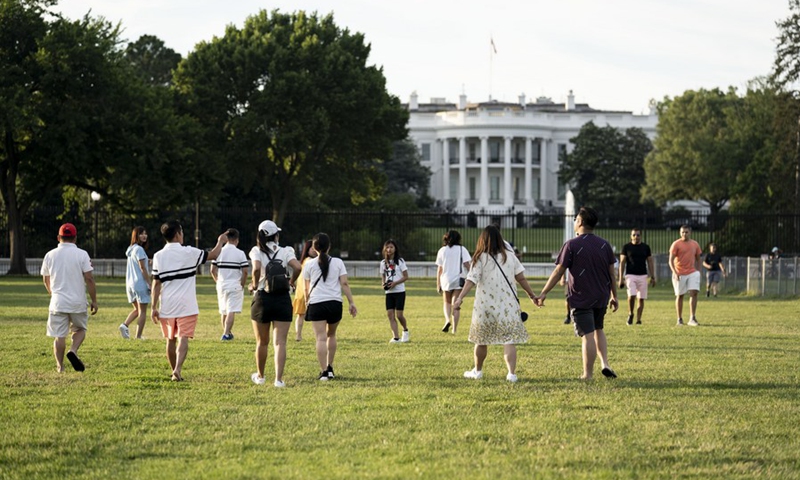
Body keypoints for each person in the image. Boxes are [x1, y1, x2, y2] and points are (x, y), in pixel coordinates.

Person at [536, 207, 619, 380]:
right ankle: (605, 364)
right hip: (601, 295)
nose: (574, 221)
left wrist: (544, 292)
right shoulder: (605, 245)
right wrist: (614, 296)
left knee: (587, 335)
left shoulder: (572, 245)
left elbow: (559, 271)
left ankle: (587, 374)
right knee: (599, 329)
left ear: (580, 222)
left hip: (582, 296)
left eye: (575, 219)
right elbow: (612, 274)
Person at [453, 225, 536, 382]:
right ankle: (511, 374)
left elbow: (471, 280)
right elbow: (521, 278)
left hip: (485, 305)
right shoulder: (510, 256)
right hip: (508, 305)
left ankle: (477, 371)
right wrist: (532, 295)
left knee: (481, 339)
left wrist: (460, 298)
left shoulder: (479, 258)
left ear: (482, 240)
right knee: (509, 340)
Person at [150, 221, 228, 381]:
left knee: (170, 340)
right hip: (187, 304)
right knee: (183, 337)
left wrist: (153, 307)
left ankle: (174, 371)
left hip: (167, 304)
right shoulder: (189, 252)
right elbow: (213, 255)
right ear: (178, 234)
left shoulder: (158, 256)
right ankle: (178, 369)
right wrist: (220, 241)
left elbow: (156, 283)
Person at [248, 220, 303, 387]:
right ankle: (278, 380)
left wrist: (255, 284)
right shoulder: (286, 250)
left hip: (263, 298)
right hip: (282, 299)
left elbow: (256, 268)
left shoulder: (256, 250)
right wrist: (291, 282)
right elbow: (298, 267)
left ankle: (261, 376)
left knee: (261, 342)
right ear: (276, 235)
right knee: (280, 342)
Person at [41, 223, 98, 372]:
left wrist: (52, 293)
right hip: (77, 301)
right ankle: (73, 350)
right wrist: (94, 301)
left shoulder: (50, 255)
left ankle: (60, 367)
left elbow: (46, 278)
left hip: (58, 302)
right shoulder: (82, 254)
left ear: (59, 237)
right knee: (80, 330)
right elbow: (89, 278)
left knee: (59, 336)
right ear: (75, 238)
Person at [303, 233, 357, 381]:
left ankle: (323, 372)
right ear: (329, 246)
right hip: (335, 303)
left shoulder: (308, 264)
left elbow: (306, 288)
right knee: (331, 335)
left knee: (320, 338)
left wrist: (307, 302)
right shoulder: (338, 262)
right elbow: (344, 284)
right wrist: (351, 302)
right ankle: (330, 367)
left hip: (317, 303)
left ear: (314, 248)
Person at [210, 228, 249, 341]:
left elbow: (213, 270)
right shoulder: (240, 253)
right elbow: (245, 271)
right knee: (231, 310)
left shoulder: (219, 252)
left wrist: (218, 281)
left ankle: (227, 332)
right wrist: (242, 284)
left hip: (222, 284)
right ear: (237, 240)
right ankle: (226, 334)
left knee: (224, 310)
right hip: (235, 284)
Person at [435, 230, 470, 334]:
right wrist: (473, 274)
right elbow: (467, 264)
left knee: (446, 302)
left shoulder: (442, 250)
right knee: (456, 304)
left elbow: (439, 269)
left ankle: (447, 320)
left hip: (445, 279)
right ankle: (454, 329)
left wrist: (438, 283)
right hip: (458, 279)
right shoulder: (462, 249)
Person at [618, 228, 656, 325]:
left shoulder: (646, 247)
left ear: (641, 236)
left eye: (638, 235)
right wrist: (620, 278)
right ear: (631, 236)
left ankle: (638, 319)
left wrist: (652, 276)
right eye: (634, 235)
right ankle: (631, 314)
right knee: (632, 295)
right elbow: (622, 263)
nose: (636, 237)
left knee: (641, 298)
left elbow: (650, 261)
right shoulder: (626, 247)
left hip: (643, 275)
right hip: (630, 275)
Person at [120, 226, 150, 340]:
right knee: (142, 311)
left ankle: (124, 325)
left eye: (145, 233)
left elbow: (139, 264)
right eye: (141, 234)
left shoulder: (131, 249)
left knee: (137, 310)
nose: (144, 236)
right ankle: (138, 336)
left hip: (130, 284)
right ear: (135, 236)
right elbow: (142, 268)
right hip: (140, 284)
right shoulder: (139, 250)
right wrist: (149, 283)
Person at [669, 225, 703, 326]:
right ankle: (679, 319)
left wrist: (698, 271)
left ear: (690, 232)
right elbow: (670, 260)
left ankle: (692, 318)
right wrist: (675, 272)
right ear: (680, 233)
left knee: (694, 293)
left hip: (692, 272)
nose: (684, 234)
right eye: (683, 232)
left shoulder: (695, 244)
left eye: (686, 232)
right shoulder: (676, 244)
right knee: (680, 295)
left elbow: (698, 259)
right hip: (679, 272)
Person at [380, 239, 410, 343]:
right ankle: (396, 337)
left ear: (395, 249)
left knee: (399, 315)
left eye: (391, 247)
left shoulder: (400, 261)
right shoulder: (383, 263)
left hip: (399, 292)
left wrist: (395, 283)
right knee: (390, 315)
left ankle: (405, 331)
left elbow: (406, 277)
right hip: (389, 293)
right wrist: (384, 284)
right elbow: (383, 276)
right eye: (387, 247)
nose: (389, 249)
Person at [291, 240, 317, 342]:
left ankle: (298, 335)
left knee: (300, 315)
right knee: (314, 316)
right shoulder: (311, 261)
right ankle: (300, 335)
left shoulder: (303, 261)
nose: (314, 251)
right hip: (307, 291)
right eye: (312, 249)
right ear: (307, 249)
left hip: (300, 291)